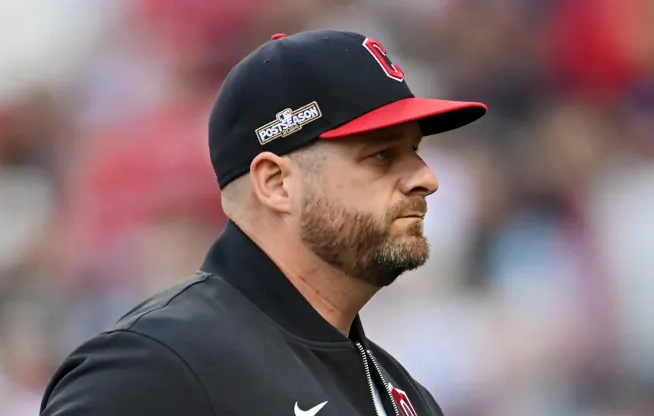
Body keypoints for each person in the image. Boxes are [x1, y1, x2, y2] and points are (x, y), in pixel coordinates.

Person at [40, 30, 486, 416]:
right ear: (275, 184)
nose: (425, 179)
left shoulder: (400, 392)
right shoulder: (154, 365)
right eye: (382, 154)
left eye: (416, 151)